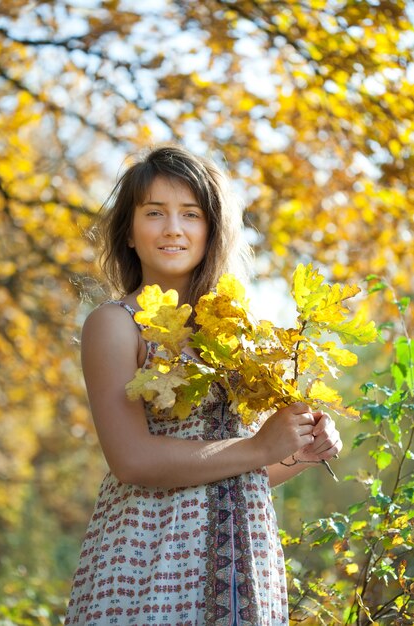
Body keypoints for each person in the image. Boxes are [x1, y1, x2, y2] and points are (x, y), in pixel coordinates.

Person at [65, 144, 342, 626]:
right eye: (154, 212)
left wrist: (298, 452)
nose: (173, 228)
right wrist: (260, 447)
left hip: (244, 562)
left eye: (190, 214)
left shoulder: (240, 333)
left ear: (212, 230)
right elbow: (131, 460)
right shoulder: (115, 324)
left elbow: (239, 465)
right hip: (151, 563)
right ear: (129, 232)